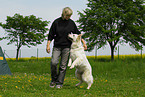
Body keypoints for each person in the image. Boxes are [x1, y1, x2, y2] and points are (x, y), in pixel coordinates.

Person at [46, 7, 87, 88]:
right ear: (64, 14)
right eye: (67, 15)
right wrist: (48, 45)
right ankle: (53, 80)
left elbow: (78, 34)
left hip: (67, 47)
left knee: (63, 66)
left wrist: (84, 43)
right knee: (54, 63)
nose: (69, 17)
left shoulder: (71, 23)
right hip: (57, 46)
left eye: (70, 16)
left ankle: (59, 83)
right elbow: (51, 35)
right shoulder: (56, 22)